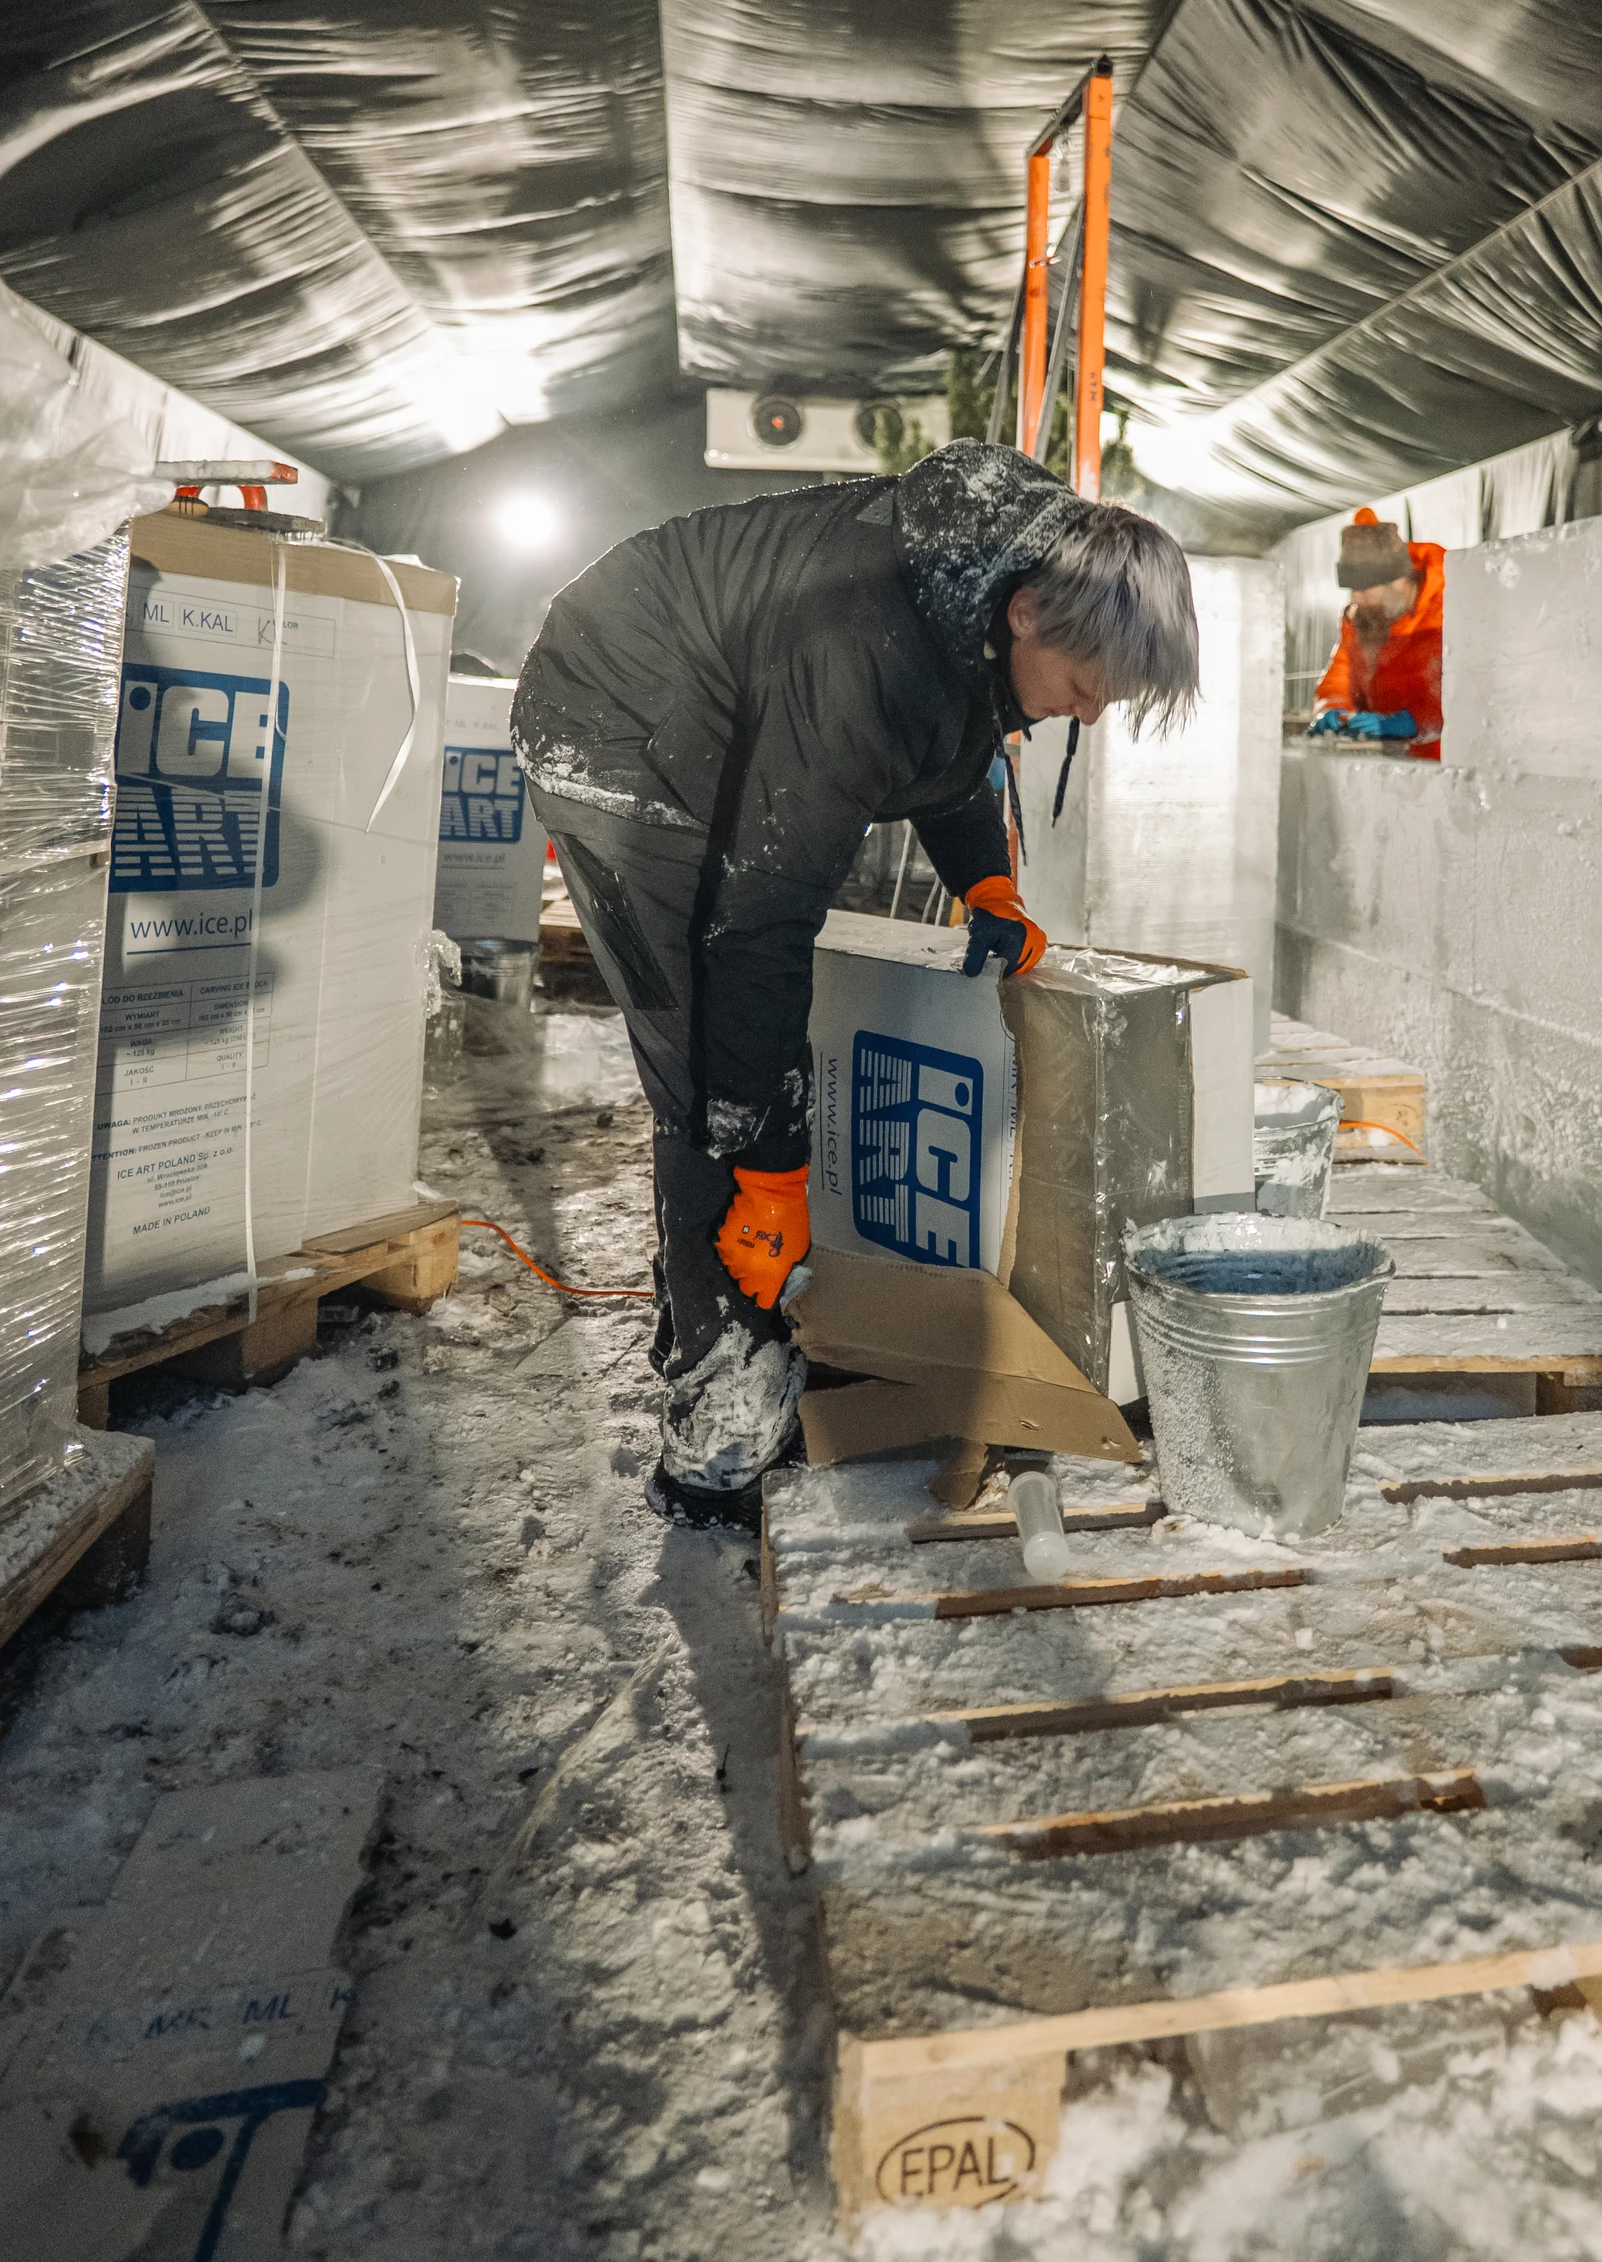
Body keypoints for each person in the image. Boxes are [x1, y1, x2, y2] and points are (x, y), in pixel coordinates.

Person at [511, 440, 1201, 1529]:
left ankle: (716, 1306)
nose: (1089, 713)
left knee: (741, 1037)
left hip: (721, 696)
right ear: (1025, 614)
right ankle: (719, 1418)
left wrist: (987, 881)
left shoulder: (985, 588)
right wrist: (772, 1169)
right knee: (704, 1043)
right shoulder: (862, 644)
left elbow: (963, 732)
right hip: (616, 713)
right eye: (1084, 686)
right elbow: (757, 922)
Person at [1309, 509, 1444, 759]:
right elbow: (1340, 676)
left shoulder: (1450, 610)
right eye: (1352, 589)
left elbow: (1476, 696)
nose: (1355, 598)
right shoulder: (1361, 619)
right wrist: (1333, 708)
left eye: (1365, 589)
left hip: (1444, 765)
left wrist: (1418, 721)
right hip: (1385, 763)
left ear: (1399, 582)